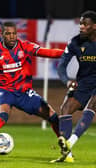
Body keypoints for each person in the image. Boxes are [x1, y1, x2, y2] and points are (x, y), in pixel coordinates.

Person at [0, 21, 65, 160]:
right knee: (3, 115)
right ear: (2, 34)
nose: (12, 36)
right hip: (5, 91)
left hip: (24, 92)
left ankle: (66, 150)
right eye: (8, 34)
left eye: (14, 33)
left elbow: (47, 52)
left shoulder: (25, 46)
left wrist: (67, 52)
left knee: (52, 116)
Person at [52, 10, 96, 163]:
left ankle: (71, 141)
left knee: (92, 104)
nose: (81, 27)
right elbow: (61, 65)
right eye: (81, 24)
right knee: (65, 108)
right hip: (84, 82)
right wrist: (67, 81)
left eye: (85, 24)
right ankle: (67, 154)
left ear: (95, 26)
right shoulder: (75, 42)